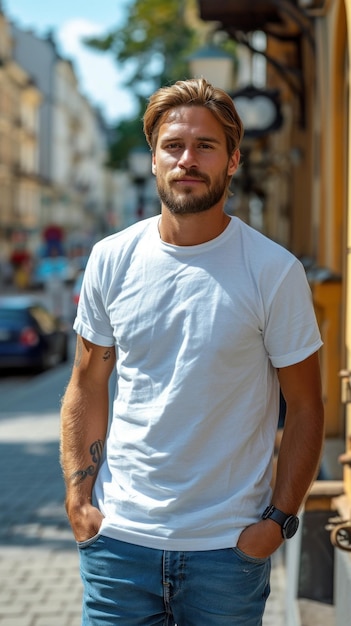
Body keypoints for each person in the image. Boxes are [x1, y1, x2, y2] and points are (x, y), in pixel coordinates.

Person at [60, 77, 324, 626]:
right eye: (173, 146)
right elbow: (87, 383)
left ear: (231, 162)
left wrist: (277, 521)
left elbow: (305, 406)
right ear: (154, 160)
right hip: (119, 545)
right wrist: (80, 502)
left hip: (228, 551)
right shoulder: (112, 258)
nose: (188, 159)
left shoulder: (273, 271)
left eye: (206, 146)